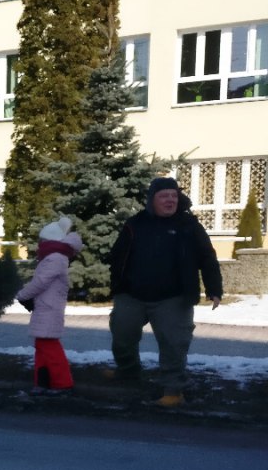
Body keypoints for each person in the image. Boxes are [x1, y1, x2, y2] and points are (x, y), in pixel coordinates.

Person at [108, 175, 223, 408]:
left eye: (174, 195)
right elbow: (118, 255)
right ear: (152, 199)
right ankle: (128, 371)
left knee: (174, 343)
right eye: (164, 196)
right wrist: (117, 284)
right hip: (132, 294)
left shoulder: (189, 226)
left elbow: (207, 257)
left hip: (174, 297)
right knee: (122, 334)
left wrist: (214, 288)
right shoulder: (135, 223)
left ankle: (173, 391)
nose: (170, 200)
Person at [16, 216, 83, 395]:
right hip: (45, 307)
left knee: (50, 347)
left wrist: (22, 295)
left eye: (43, 239)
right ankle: (43, 382)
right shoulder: (54, 257)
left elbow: (41, 282)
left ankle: (63, 383)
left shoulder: (55, 258)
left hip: (49, 308)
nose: (40, 243)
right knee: (42, 346)